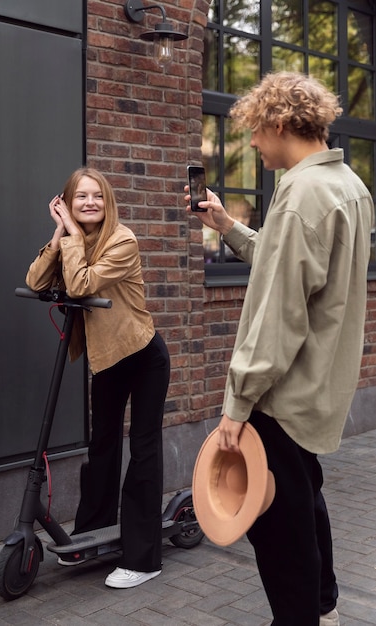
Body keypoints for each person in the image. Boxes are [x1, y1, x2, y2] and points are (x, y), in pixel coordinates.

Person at [185, 71, 374, 626]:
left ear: (279, 122)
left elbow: (278, 316)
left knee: (278, 530)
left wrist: (236, 405)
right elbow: (291, 262)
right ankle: (325, 608)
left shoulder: (300, 197)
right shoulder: (350, 187)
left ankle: (301, 618)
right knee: (306, 504)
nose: (251, 143)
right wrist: (226, 225)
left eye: (255, 132)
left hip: (280, 394)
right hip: (318, 388)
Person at [26, 167, 170, 588]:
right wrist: (60, 235)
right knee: (102, 445)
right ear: (66, 203)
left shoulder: (122, 240)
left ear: (108, 203)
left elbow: (80, 283)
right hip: (107, 359)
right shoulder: (76, 239)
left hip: (142, 356)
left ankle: (144, 561)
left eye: (97, 197)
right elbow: (35, 279)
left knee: (143, 451)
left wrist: (69, 232)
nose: (89, 203)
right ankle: (93, 533)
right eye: (80, 197)